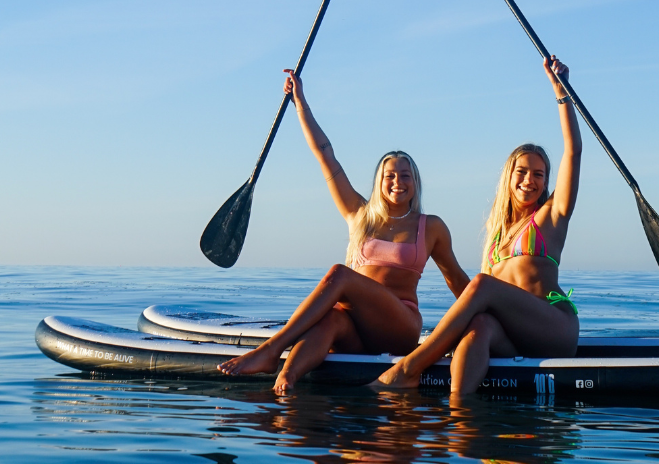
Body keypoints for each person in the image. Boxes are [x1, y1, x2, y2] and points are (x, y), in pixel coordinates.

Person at [219, 70, 469, 394]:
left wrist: (483, 317)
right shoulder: (359, 215)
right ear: (379, 182)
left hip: (400, 326)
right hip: (356, 330)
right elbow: (325, 153)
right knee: (330, 320)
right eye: (390, 176)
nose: (397, 182)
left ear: (415, 182)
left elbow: (455, 278)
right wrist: (300, 103)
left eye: (405, 176)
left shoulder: (430, 226)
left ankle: (270, 350)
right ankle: (286, 379)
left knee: (340, 275)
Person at [375, 55, 581, 396]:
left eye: (539, 174)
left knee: (482, 285)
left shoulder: (550, 216)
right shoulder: (497, 236)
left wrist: (563, 94)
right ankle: (461, 420)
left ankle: (409, 367)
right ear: (509, 177)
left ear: (546, 182)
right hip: (514, 337)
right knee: (480, 325)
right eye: (522, 172)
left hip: (552, 329)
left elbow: (573, 152)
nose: (530, 180)